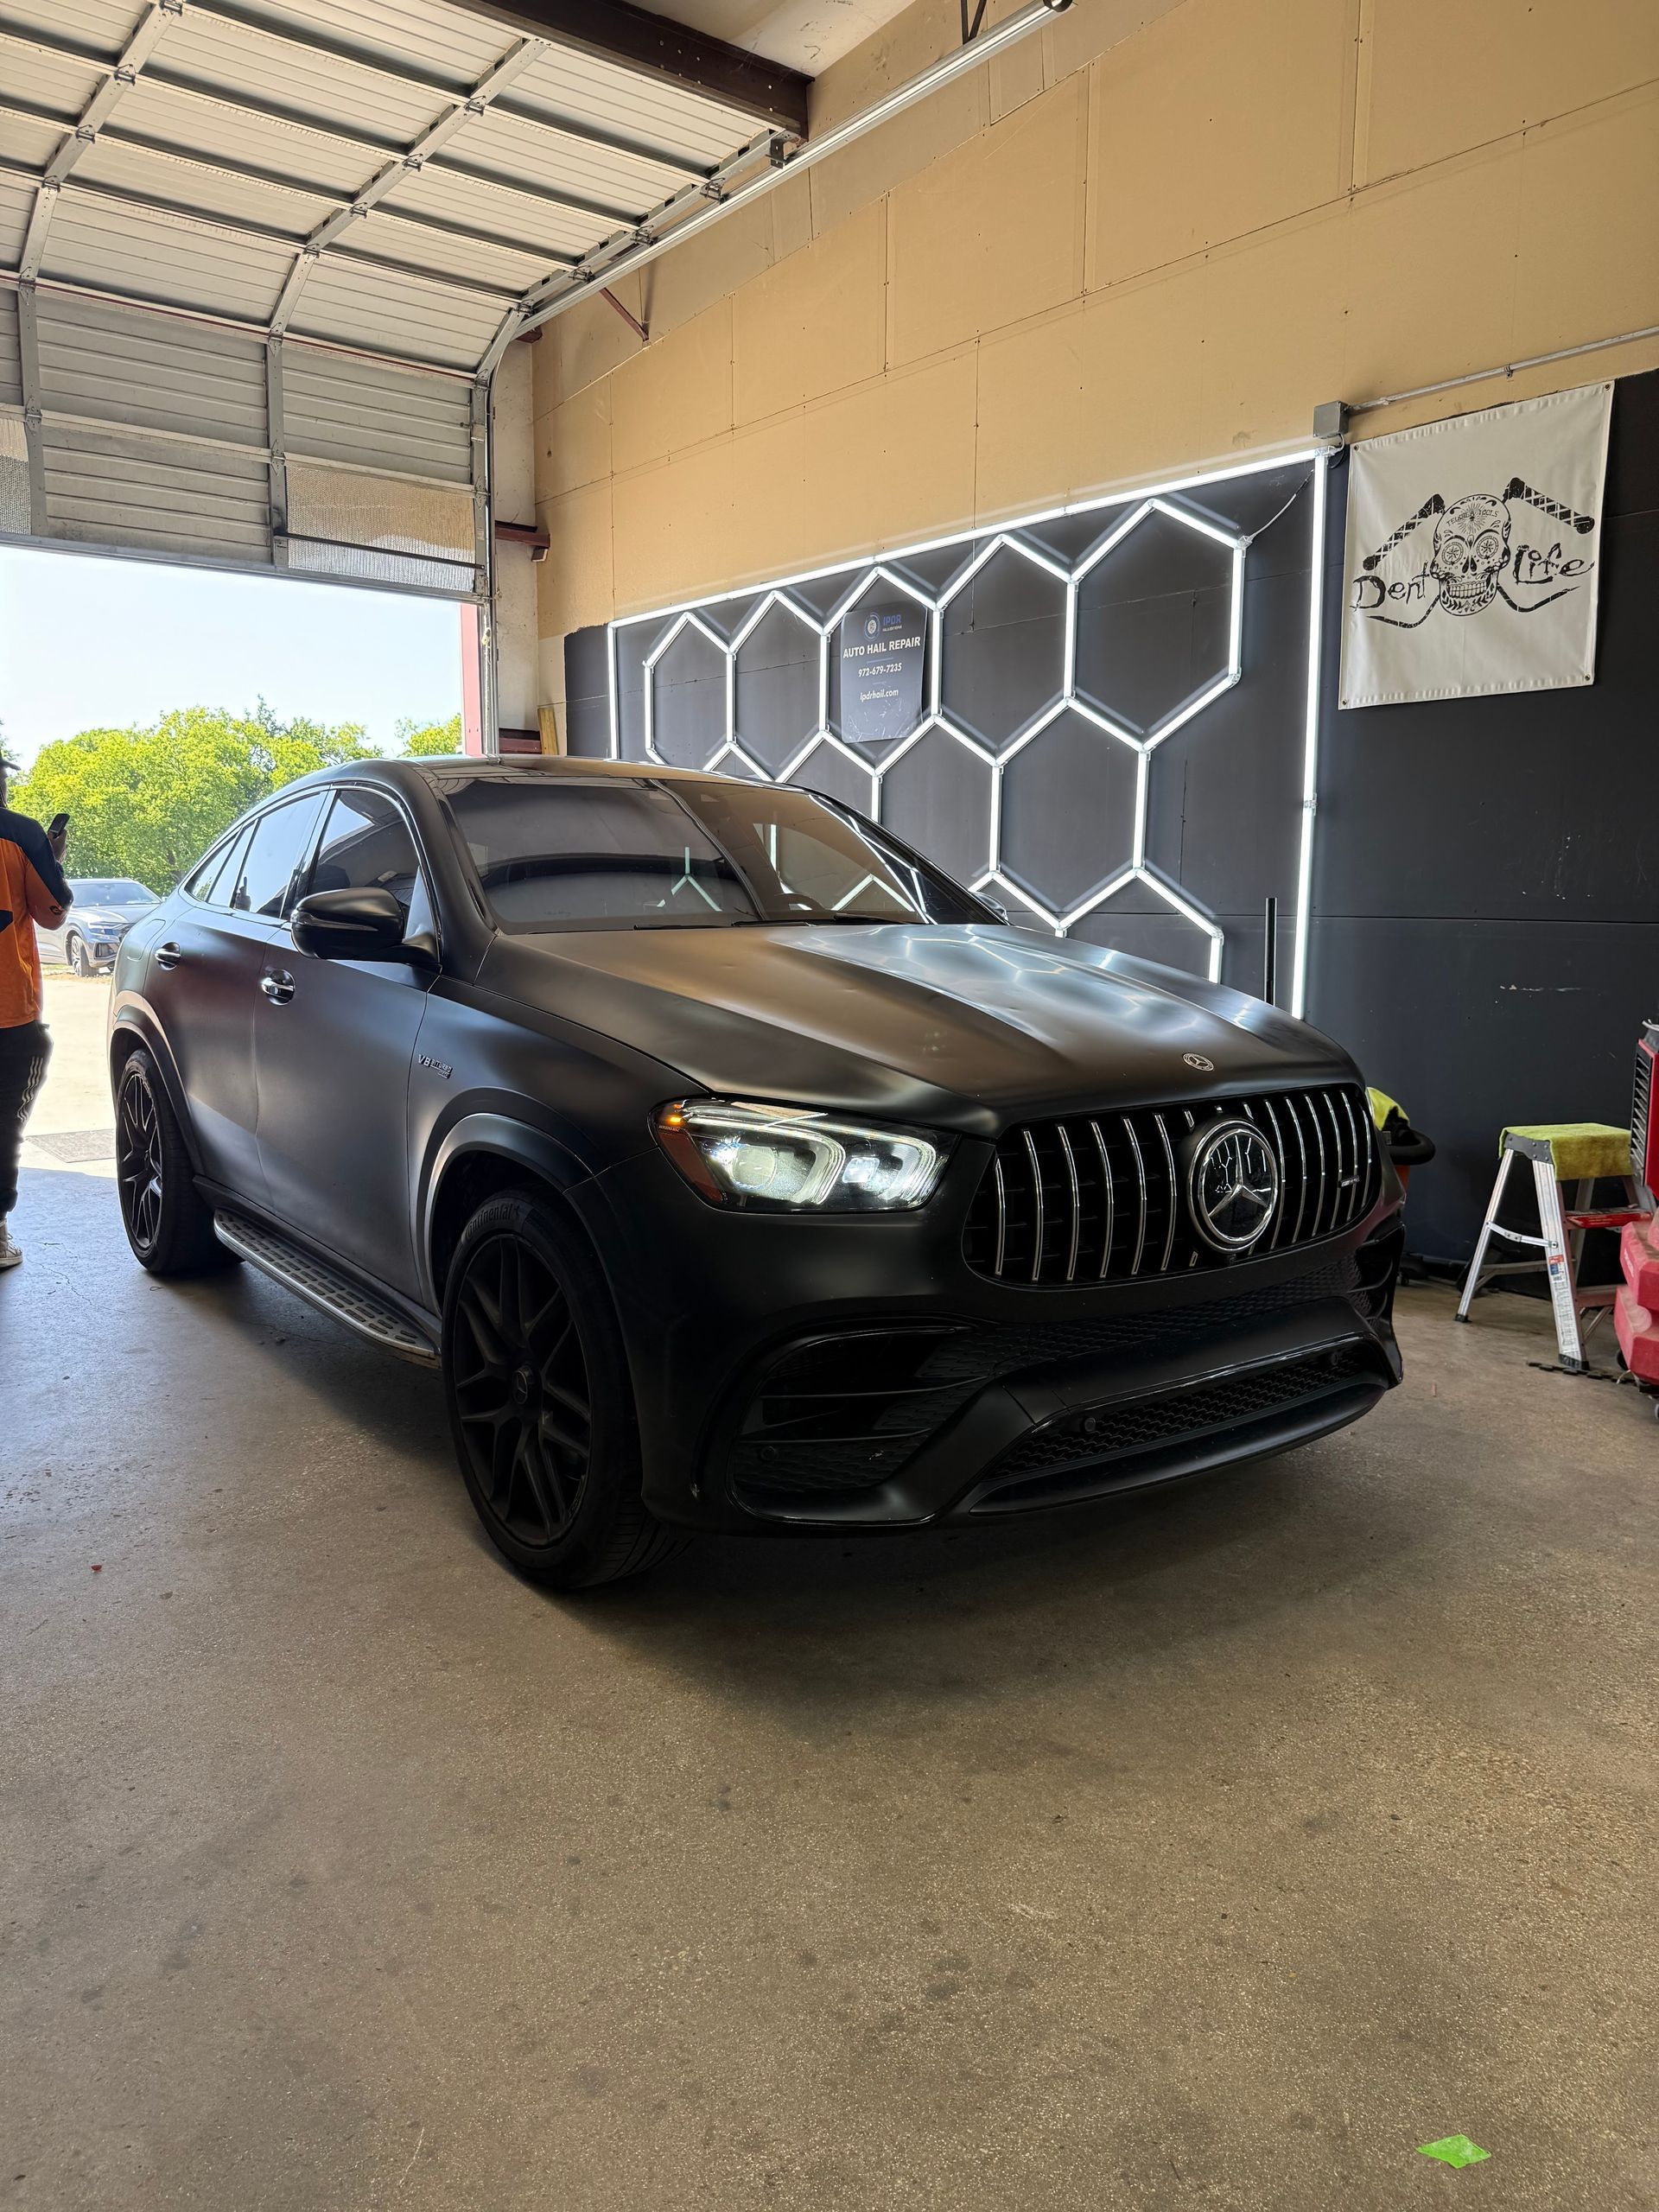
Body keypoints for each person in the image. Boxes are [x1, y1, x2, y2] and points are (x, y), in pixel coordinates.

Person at [0, 749, 72, 1270]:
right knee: (3, 1122)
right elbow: (52, 913)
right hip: (7, 1011)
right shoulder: (22, 836)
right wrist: (53, 858)